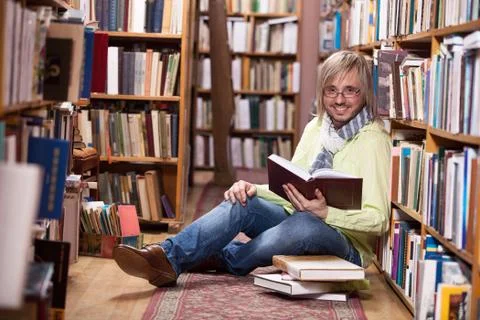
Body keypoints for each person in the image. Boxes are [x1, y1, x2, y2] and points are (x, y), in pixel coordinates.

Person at [113, 50, 392, 287]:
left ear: (364, 93)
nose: (339, 100)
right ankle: (166, 258)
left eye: (350, 91)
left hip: (346, 245)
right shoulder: (316, 127)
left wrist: (325, 212)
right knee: (242, 201)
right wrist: (251, 188)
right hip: (294, 220)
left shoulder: (374, 139)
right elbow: (292, 188)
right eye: (332, 90)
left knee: (306, 223)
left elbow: (378, 219)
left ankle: (225, 257)